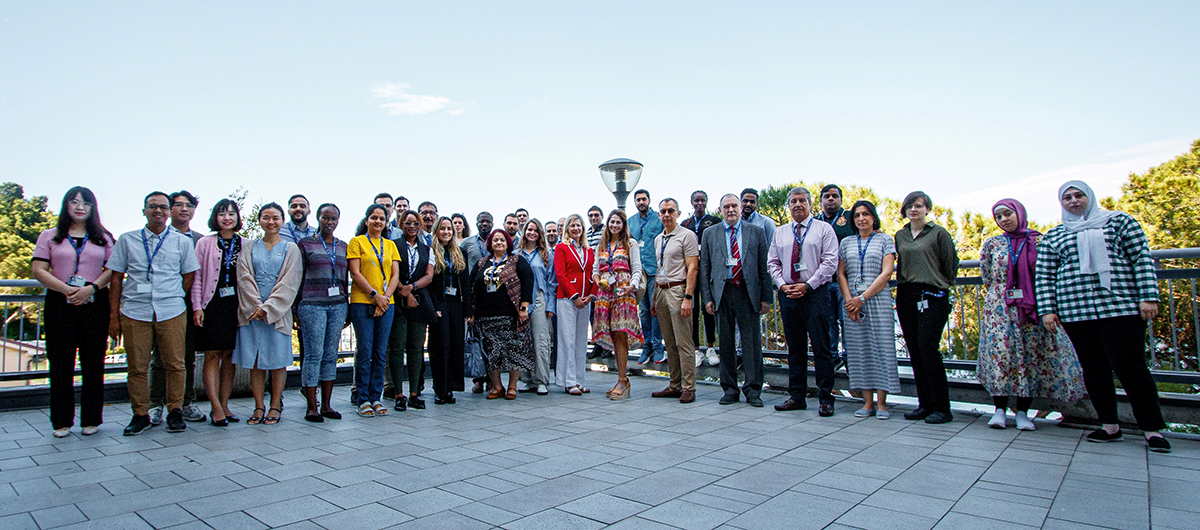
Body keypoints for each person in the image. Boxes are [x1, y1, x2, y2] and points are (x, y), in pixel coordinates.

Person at [1036, 181, 1171, 452]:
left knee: (1131, 367)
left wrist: (1148, 295)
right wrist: (1048, 310)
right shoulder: (1056, 235)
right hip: (1076, 311)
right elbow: (1045, 275)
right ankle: (1109, 425)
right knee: (1094, 369)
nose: (1073, 201)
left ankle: (1152, 429)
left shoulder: (1119, 222)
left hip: (1120, 307)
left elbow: (1141, 258)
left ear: (1090, 196)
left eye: (1079, 195)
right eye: (1067, 197)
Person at [979, 199, 1085, 430]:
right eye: (999, 216)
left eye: (1008, 214)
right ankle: (999, 410)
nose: (1004, 219)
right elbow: (987, 275)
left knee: (1029, 357)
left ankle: (1023, 412)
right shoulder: (992, 244)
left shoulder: (1040, 241)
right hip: (1000, 309)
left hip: (1033, 307)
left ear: (1019, 213)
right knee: (1001, 356)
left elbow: (1049, 273)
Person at [107, 191, 200, 435]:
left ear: (169, 212)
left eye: (163, 207)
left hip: (171, 309)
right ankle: (140, 414)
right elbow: (116, 278)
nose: (158, 211)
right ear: (144, 210)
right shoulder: (127, 240)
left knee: (175, 364)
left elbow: (189, 274)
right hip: (135, 310)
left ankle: (175, 411)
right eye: (152, 206)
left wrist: (174, 293)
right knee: (137, 366)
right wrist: (113, 316)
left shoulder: (181, 241)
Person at [32, 187, 114, 437]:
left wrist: (91, 289)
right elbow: (39, 270)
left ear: (93, 208)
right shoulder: (50, 236)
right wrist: (67, 290)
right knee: (60, 363)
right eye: (74, 202)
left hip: (94, 303)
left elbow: (114, 268)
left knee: (92, 363)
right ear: (66, 206)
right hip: (60, 303)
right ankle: (61, 421)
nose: (80, 207)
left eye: (86, 203)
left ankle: (91, 419)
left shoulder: (103, 237)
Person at [767, 187, 839, 416]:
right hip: (788, 294)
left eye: (802, 201)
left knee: (821, 347)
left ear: (810, 205)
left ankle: (826, 398)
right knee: (795, 348)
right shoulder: (781, 232)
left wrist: (808, 285)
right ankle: (796, 396)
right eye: (793, 201)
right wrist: (782, 284)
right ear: (788, 206)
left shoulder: (823, 229)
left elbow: (830, 262)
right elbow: (772, 263)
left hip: (815, 293)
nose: (797, 204)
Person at [231, 203, 303, 426]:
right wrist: (256, 306)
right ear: (260, 220)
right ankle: (258, 405)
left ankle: (274, 405)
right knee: (255, 361)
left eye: (275, 218)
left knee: (277, 361)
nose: (270, 222)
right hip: (251, 312)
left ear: (282, 221)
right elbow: (243, 278)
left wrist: (269, 308)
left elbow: (290, 281)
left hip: (278, 313)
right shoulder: (249, 247)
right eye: (266, 217)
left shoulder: (291, 249)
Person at [700, 193, 772, 407]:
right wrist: (707, 298)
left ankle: (753, 390)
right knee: (726, 343)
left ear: (740, 208)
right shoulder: (710, 234)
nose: (731, 210)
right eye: (726, 207)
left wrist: (766, 297)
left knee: (751, 344)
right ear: (720, 210)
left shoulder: (756, 232)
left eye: (734, 206)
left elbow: (763, 266)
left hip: (748, 293)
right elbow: (705, 269)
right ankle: (729, 390)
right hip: (723, 292)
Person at [894, 191, 959, 424]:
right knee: (914, 350)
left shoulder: (938, 233)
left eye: (919, 206)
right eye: (910, 206)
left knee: (928, 347)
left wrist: (942, 284)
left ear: (927, 209)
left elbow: (950, 263)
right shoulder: (900, 235)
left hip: (932, 293)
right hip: (906, 293)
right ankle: (925, 405)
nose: (914, 210)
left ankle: (942, 407)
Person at [836, 200, 901, 419]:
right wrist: (849, 300)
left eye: (865, 214)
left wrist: (862, 298)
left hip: (876, 300)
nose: (861, 219)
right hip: (852, 304)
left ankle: (882, 403)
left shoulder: (884, 240)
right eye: (857, 216)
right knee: (859, 350)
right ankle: (867, 402)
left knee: (881, 348)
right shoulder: (846, 242)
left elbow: (886, 273)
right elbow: (841, 274)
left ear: (874, 217)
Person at [146, 190, 206, 425]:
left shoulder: (201, 240)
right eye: (178, 204)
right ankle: (155, 404)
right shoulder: (157, 236)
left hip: (191, 307)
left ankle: (186, 402)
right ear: (169, 209)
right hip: (162, 306)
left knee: (186, 357)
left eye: (188, 205)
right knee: (160, 358)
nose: (183, 209)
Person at [190, 199, 245, 426]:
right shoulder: (205, 242)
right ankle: (215, 407)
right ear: (215, 217)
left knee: (230, 356)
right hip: (211, 304)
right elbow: (196, 277)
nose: (227, 218)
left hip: (236, 305)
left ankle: (225, 404)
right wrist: (197, 307)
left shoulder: (246, 244)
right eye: (222, 213)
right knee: (212, 355)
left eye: (231, 213)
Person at [295, 203, 350, 422]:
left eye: (333, 218)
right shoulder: (305, 244)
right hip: (312, 304)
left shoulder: (343, 246)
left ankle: (327, 404)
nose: (329, 221)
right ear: (317, 218)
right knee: (313, 354)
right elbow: (297, 277)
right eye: (325, 217)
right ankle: (312, 406)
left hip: (337, 304)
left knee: (330, 355)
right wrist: (294, 309)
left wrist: (348, 309)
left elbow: (347, 279)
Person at [465, 229, 535, 400]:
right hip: (486, 316)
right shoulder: (482, 263)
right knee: (492, 352)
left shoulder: (517, 260)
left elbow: (528, 281)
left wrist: (524, 307)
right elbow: (470, 287)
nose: (499, 243)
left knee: (514, 352)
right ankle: (497, 387)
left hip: (512, 314)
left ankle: (512, 386)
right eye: (495, 240)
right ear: (490, 243)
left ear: (508, 243)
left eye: (502, 240)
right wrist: (470, 312)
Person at [347, 204, 401, 417]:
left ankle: (375, 398)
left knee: (380, 353)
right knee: (365, 351)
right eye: (374, 217)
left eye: (382, 218)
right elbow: (355, 273)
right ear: (367, 220)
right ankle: (362, 399)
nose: (378, 221)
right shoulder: (357, 242)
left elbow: (395, 275)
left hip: (387, 303)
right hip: (363, 301)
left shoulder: (390, 245)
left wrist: (385, 298)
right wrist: (375, 296)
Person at [649, 198, 700, 403]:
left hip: (678, 290)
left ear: (678, 213)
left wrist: (688, 297)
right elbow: (658, 269)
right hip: (661, 290)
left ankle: (689, 387)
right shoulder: (658, 239)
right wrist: (654, 299)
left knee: (683, 342)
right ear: (659, 214)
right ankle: (674, 384)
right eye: (663, 211)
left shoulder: (687, 236)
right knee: (669, 342)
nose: (667, 214)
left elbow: (693, 268)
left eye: (671, 210)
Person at [592, 210, 645, 400]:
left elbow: (637, 268)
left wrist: (632, 287)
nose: (614, 225)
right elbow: (595, 270)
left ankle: (623, 379)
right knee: (613, 335)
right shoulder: (601, 245)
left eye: (618, 222)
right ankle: (621, 379)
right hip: (606, 292)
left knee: (621, 333)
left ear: (623, 225)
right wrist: (599, 281)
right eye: (612, 221)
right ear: (607, 224)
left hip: (624, 291)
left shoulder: (630, 243)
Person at [388, 210, 435, 410]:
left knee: (416, 348)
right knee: (397, 347)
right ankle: (398, 393)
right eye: (407, 223)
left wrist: (412, 289)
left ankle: (414, 393)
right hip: (398, 300)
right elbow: (391, 272)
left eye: (415, 223)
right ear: (401, 224)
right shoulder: (393, 246)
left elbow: (429, 275)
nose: (412, 226)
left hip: (419, 301)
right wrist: (404, 292)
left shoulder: (427, 249)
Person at [428, 217, 470, 405]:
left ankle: (451, 387)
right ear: (436, 231)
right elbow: (429, 283)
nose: (446, 232)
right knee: (440, 347)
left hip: (456, 305)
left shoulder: (459, 252)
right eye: (442, 228)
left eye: (449, 228)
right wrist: (434, 306)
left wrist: (468, 308)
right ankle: (440, 388)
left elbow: (466, 282)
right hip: (440, 304)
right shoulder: (430, 252)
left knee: (455, 346)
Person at [555, 214, 596, 395]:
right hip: (566, 298)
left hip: (585, 300)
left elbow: (595, 273)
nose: (575, 229)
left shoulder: (589, 250)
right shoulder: (561, 248)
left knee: (581, 341)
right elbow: (560, 274)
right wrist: (574, 295)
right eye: (572, 226)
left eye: (578, 225)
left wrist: (592, 295)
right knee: (567, 340)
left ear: (583, 228)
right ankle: (568, 381)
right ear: (567, 229)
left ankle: (580, 380)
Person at [516, 219, 557, 395]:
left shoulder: (546, 254)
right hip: (520, 301)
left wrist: (551, 305)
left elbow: (552, 282)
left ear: (540, 234)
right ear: (524, 232)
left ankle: (541, 380)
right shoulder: (517, 253)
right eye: (529, 229)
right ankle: (527, 379)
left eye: (535, 230)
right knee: (523, 341)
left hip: (539, 298)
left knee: (541, 340)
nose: (532, 233)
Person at [682, 190, 721, 366]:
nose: (699, 204)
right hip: (691, 271)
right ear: (691, 202)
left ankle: (711, 347)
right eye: (696, 201)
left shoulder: (714, 222)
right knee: (693, 310)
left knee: (708, 308)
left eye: (702, 200)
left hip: (709, 271)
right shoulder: (685, 223)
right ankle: (696, 349)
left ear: (706, 202)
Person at [817, 184, 854, 363]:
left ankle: (849, 356)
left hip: (845, 279)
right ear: (821, 200)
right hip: (823, 280)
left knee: (846, 318)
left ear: (840, 199)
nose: (831, 199)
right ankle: (832, 357)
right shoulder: (815, 221)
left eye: (835, 196)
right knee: (828, 320)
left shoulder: (850, 218)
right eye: (827, 196)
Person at [629, 189, 665, 365]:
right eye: (638, 200)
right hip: (638, 274)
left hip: (654, 271)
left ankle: (658, 346)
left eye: (644, 199)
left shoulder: (658, 219)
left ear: (649, 200)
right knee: (643, 311)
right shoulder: (630, 222)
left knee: (655, 308)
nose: (641, 202)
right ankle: (647, 345)